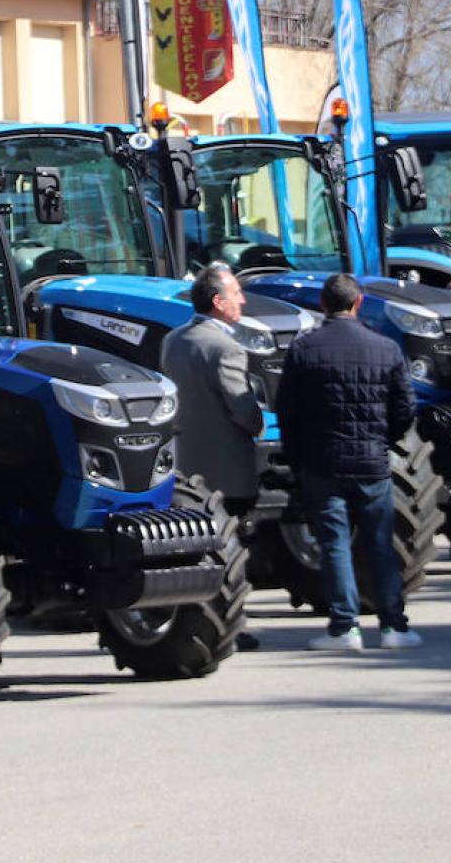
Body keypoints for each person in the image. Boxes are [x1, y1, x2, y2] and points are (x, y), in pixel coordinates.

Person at [277, 273, 420, 651]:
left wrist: (298, 456)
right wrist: (383, 439)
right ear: (358, 304)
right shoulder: (386, 348)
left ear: (323, 306)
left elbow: (288, 411)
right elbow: (405, 408)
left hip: (323, 461)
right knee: (379, 543)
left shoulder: (304, 349)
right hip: (372, 461)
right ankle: (394, 625)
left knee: (334, 544)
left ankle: (345, 627)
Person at [161, 265, 265, 650]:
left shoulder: (174, 340)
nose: (243, 300)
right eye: (236, 294)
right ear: (218, 302)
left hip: (188, 463)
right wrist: (258, 424)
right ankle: (231, 623)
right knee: (230, 551)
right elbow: (242, 409)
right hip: (228, 469)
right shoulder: (226, 348)